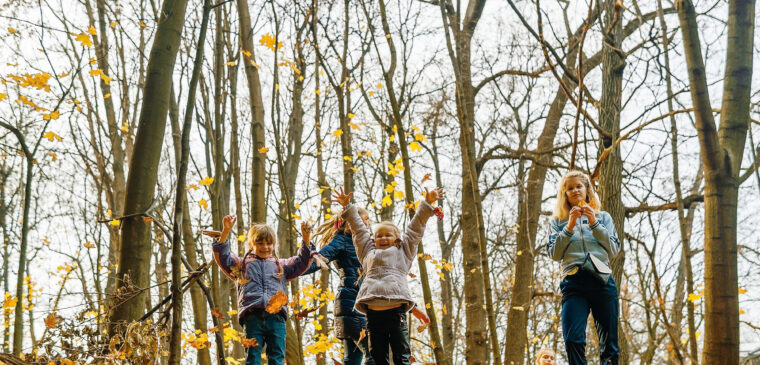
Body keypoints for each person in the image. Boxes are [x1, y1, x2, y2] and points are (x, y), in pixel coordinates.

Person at [299, 210, 432, 365]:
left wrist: (413, 307)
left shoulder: (370, 245)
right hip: (357, 307)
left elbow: (387, 281)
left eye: (368, 219)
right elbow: (313, 264)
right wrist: (301, 256)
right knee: (373, 357)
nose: (367, 223)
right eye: (362, 220)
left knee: (352, 359)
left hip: (348, 307)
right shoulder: (344, 241)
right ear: (349, 222)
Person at [333, 186, 444, 365]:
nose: (383, 238)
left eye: (388, 235)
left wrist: (427, 204)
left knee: (401, 356)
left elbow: (415, 229)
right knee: (378, 358)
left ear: (397, 238)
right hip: (373, 315)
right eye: (378, 236)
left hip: (396, 313)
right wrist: (348, 207)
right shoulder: (368, 252)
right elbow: (360, 231)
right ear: (373, 240)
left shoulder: (403, 251)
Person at [205, 215, 317, 365]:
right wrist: (225, 231)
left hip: (276, 317)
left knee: (277, 356)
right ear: (251, 244)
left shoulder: (280, 266)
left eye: (269, 243)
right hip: (252, 316)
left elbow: (301, 262)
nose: (265, 247)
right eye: (260, 243)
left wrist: (306, 238)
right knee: (252, 357)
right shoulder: (243, 265)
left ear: (273, 244)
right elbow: (224, 258)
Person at [546, 170, 621, 365]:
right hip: (573, 282)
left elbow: (613, 249)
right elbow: (554, 254)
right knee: (573, 339)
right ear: (565, 194)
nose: (575, 190)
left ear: (587, 190)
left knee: (609, 344)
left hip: (602, 280)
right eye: (569, 188)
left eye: (578, 186)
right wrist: (569, 226)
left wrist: (594, 223)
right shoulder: (557, 222)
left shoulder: (603, 217)